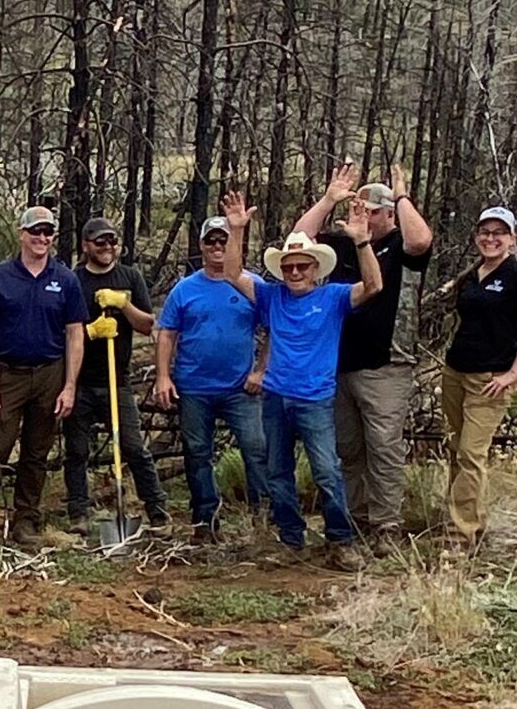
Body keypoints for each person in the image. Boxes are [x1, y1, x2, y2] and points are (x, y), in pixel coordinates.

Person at [224, 193, 383, 568]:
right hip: (276, 397)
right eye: (289, 267)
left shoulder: (334, 297)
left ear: (316, 268)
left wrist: (361, 239)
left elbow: (374, 286)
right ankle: (290, 539)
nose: (295, 273)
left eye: (302, 267)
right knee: (278, 472)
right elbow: (233, 274)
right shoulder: (271, 296)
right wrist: (235, 230)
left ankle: (340, 541)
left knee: (327, 470)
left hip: (315, 399)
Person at [292, 160, 434, 547]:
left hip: (387, 363)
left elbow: (422, 240)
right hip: (337, 363)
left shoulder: (401, 247)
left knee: (383, 446)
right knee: (348, 449)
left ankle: (386, 525)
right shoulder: (341, 244)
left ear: (390, 213)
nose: (366, 217)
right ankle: (355, 520)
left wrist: (401, 193)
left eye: (375, 211)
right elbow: (299, 239)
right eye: (362, 209)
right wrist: (329, 199)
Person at [0, 204, 86, 548]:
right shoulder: (0, 277)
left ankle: (26, 520)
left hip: (49, 373)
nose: (41, 238)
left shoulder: (65, 280)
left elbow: (76, 333)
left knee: (37, 452)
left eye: (48, 233)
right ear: (22, 234)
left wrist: (69, 385)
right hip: (7, 374)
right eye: (36, 232)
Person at [153, 213, 271, 539]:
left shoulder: (252, 286)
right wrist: (164, 376)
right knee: (197, 453)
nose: (218, 246)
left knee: (256, 448)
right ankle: (205, 520)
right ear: (202, 246)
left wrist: (261, 370)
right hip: (194, 387)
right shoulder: (185, 289)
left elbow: (275, 329)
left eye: (224, 240)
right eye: (212, 241)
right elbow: (166, 334)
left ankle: (262, 520)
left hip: (240, 388)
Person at [440, 205, 517, 547]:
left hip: (490, 377)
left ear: (512, 239)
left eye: (498, 233)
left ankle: (459, 536)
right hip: (456, 371)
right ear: (476, 238)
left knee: (472, 452)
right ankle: (471, 522)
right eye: (485, 232)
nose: (491, 239)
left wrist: (514, 372)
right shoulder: (472, 275)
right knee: (457, 448)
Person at [63, 216, 169, 533]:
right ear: (86, 246)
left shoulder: (129, 277)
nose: (107, 247)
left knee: (134, 448)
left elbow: (147, 324)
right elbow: (62, 331)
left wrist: (123, 304)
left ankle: (157, 511)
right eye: (100, 242)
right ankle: (78, 515)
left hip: (117, 382)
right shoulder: (73, 281)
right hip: (80, 382)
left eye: (112, 241)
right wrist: (90, 332)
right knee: (77, 452)